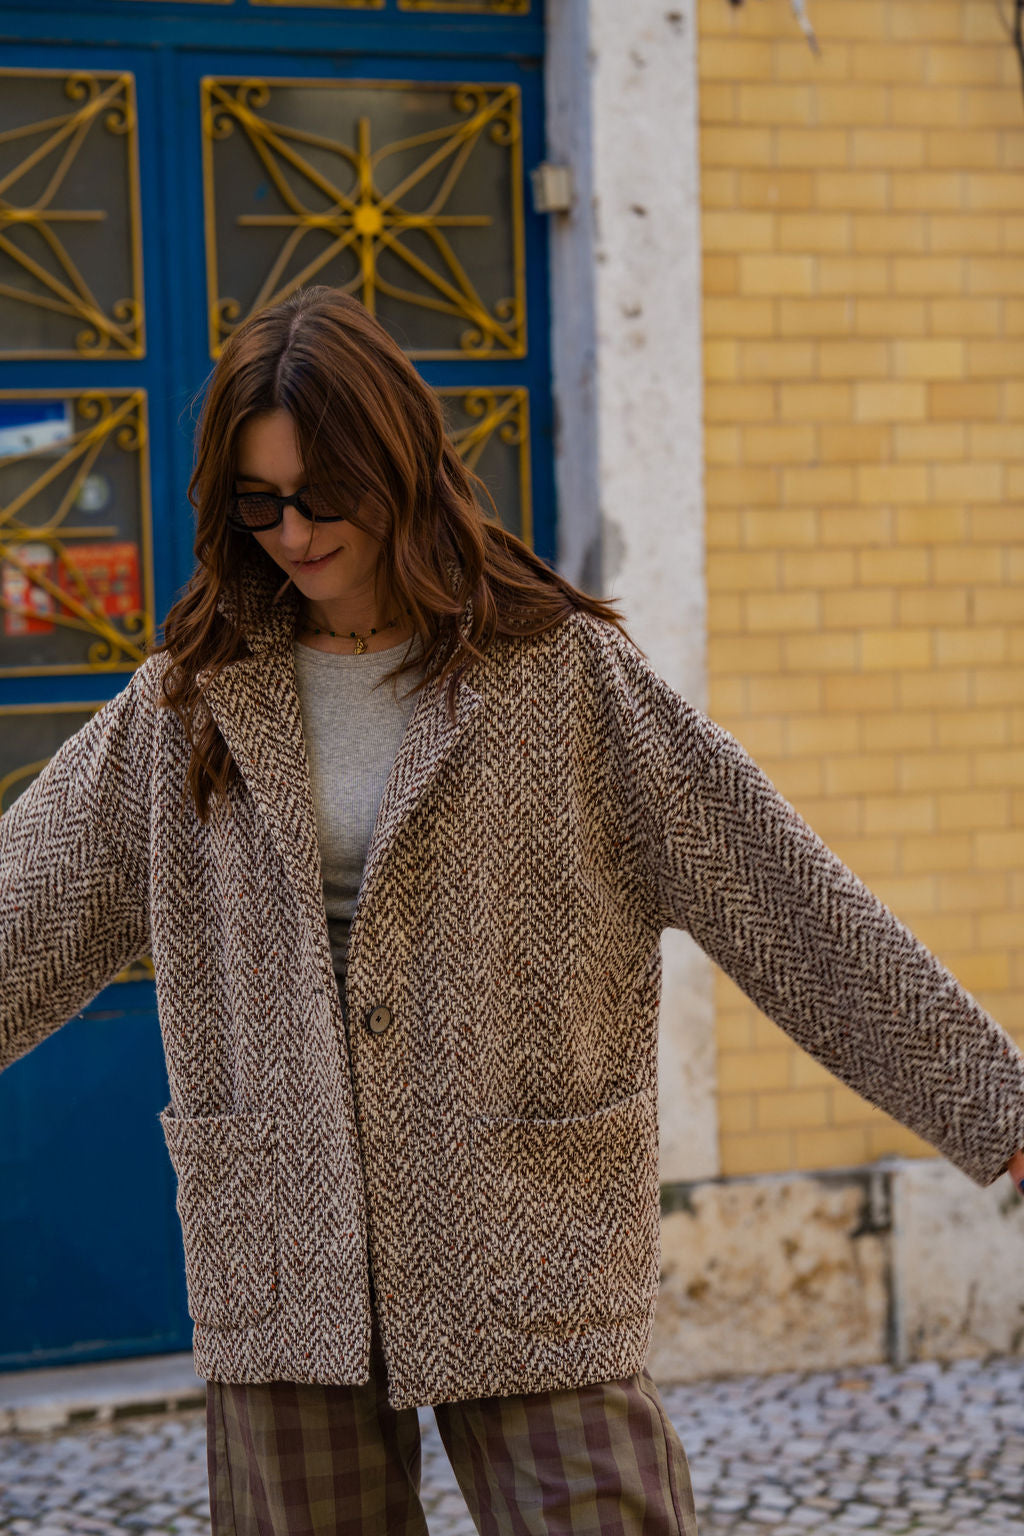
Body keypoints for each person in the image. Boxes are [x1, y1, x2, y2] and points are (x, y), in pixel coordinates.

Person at [1, 285, 1023, 1536]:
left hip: (525, 1224)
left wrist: (994, 1105)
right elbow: (22, 908)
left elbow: (781, 896)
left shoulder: (561, 676)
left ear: (398, 467)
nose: (294, 533)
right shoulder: (188, 705)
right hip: (282, 1241)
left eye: (324, 495)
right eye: (259, 503)